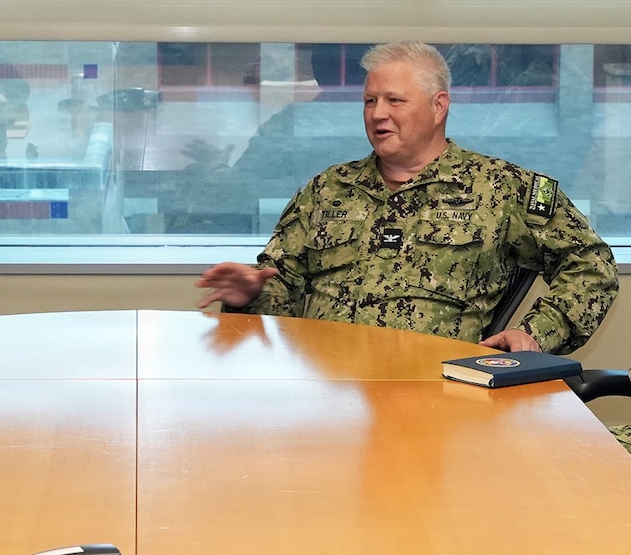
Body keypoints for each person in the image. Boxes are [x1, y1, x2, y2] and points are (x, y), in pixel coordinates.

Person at [196, 41, 617, 354]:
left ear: (439, 107)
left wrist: (535, 336)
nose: (378, 113)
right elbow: (280, 297)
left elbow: (592, 267)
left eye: (395, 100)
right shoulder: (326, 191)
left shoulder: (504, 188)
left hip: (442, 399)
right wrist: (249, 296)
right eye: (369, 101)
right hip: (325, 395)